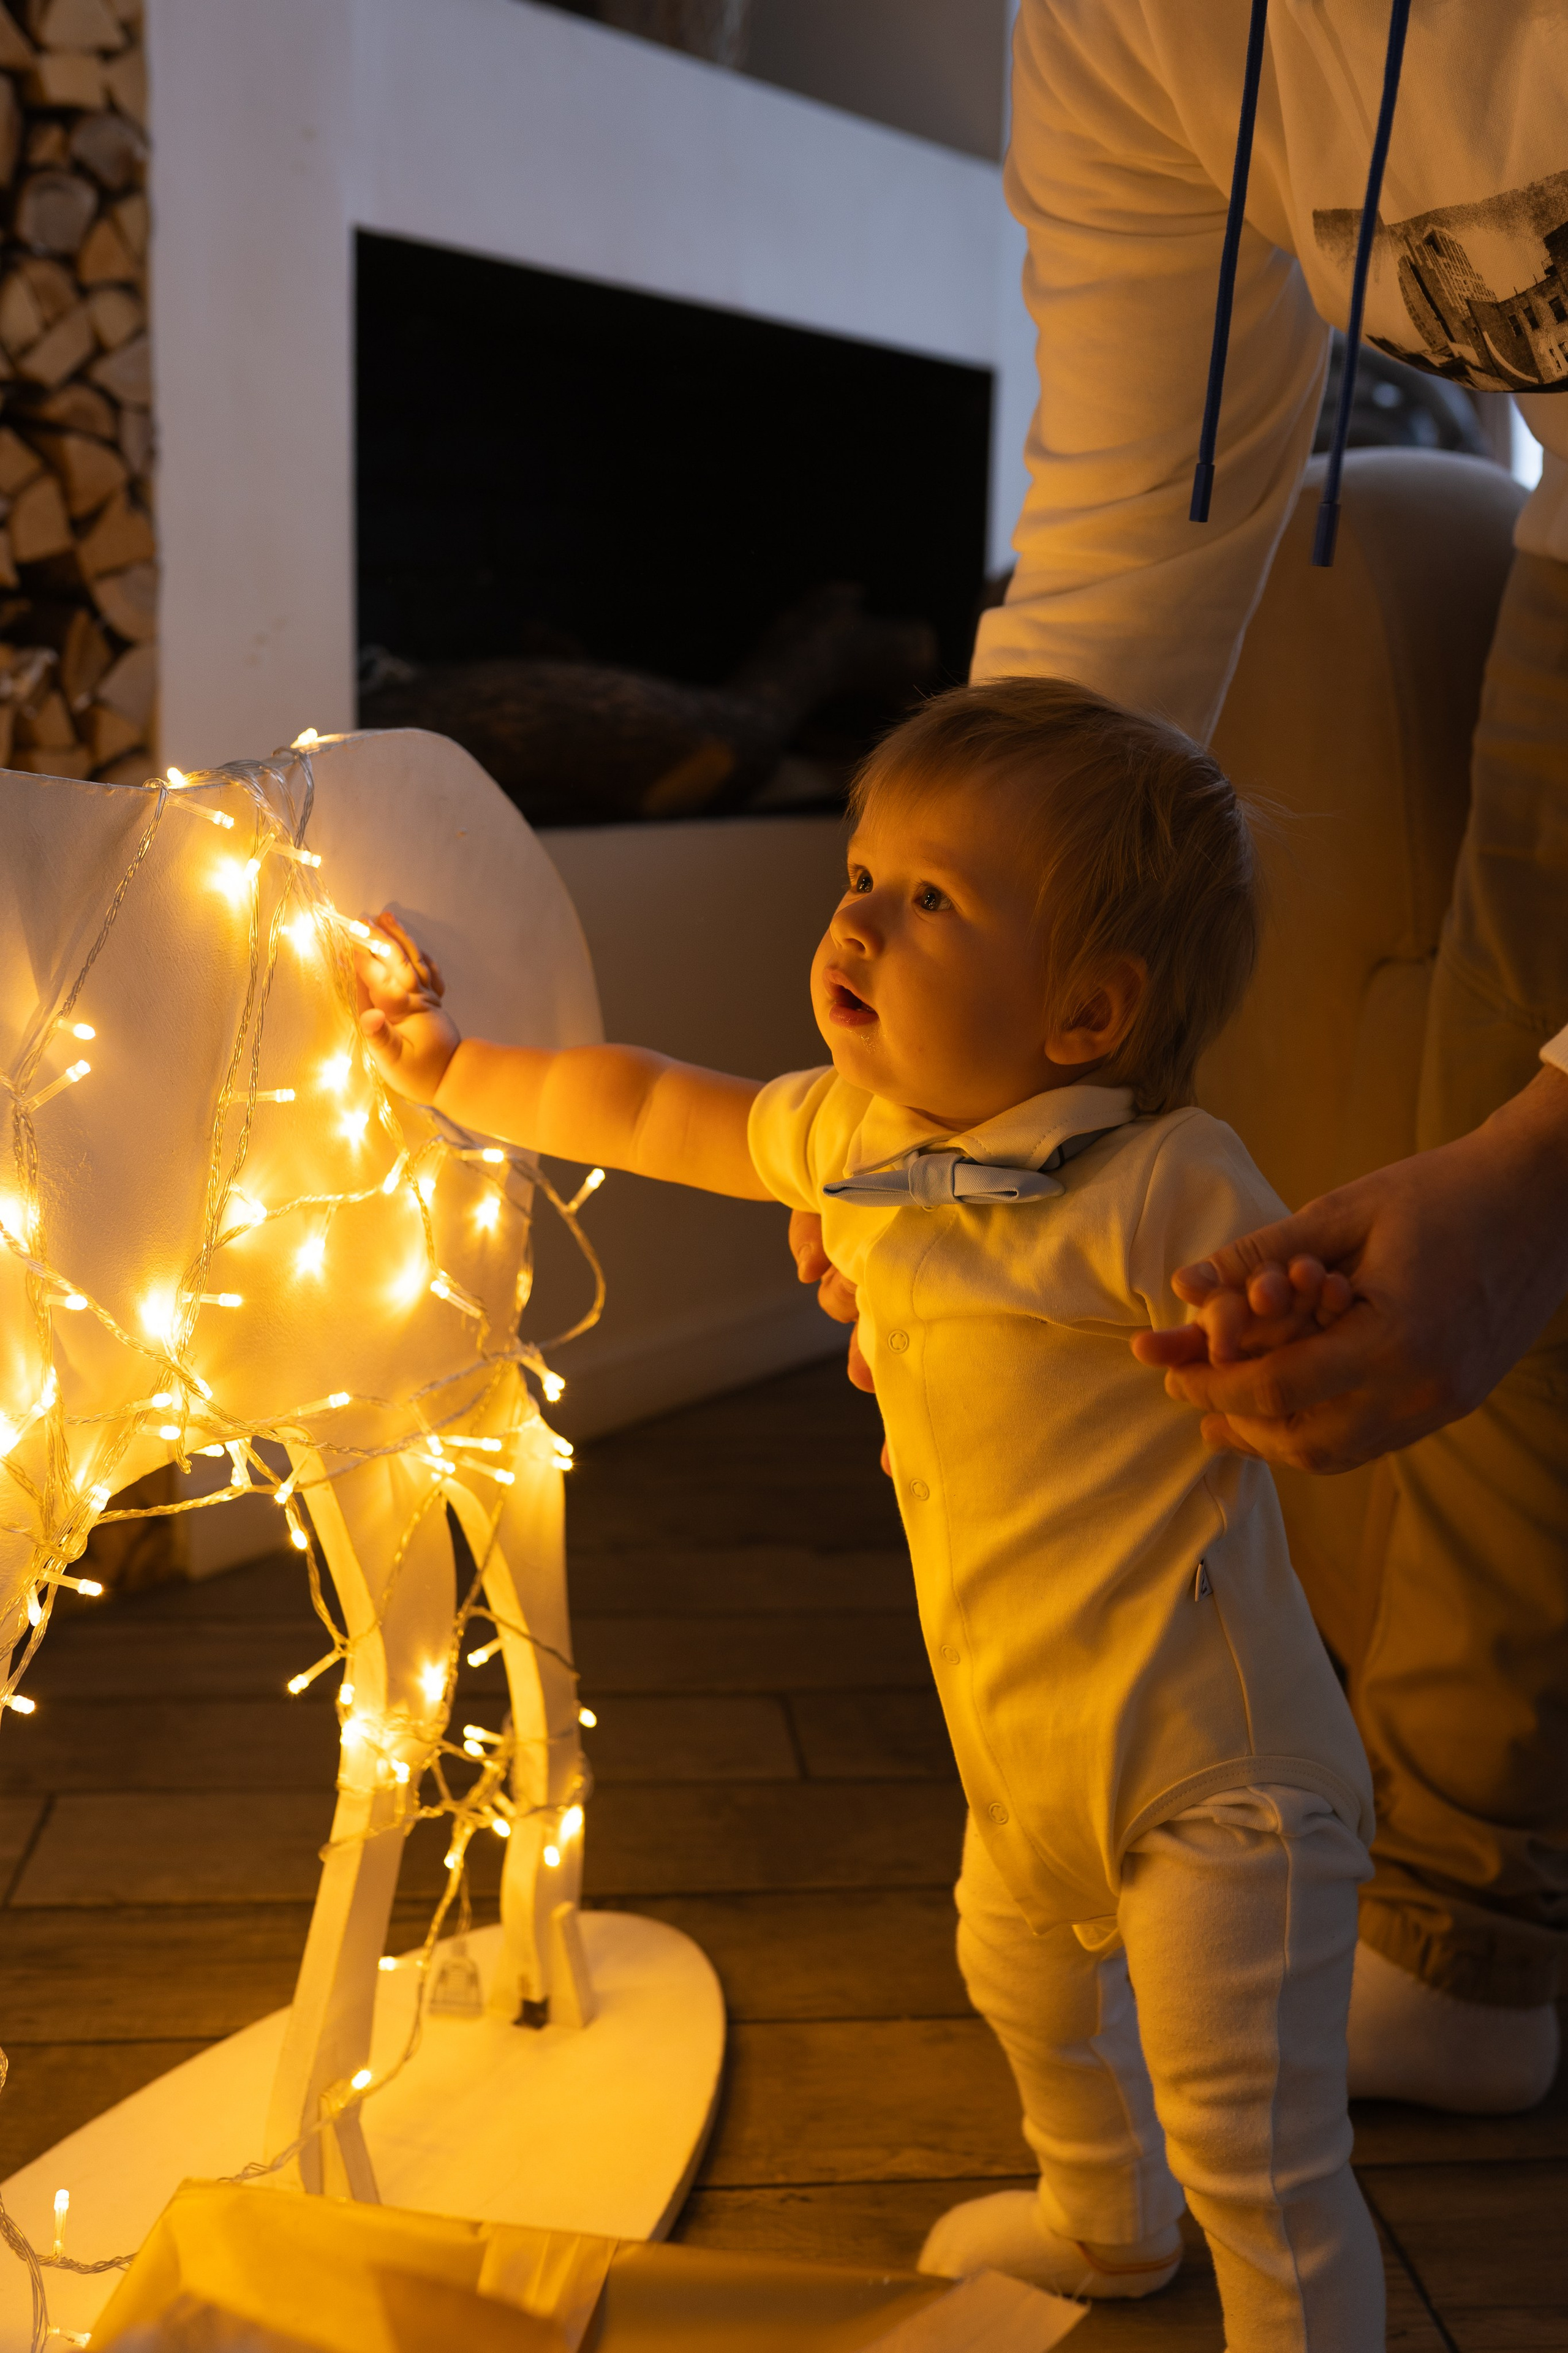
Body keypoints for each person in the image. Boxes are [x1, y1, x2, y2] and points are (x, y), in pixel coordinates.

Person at [359, 678, 1386, 2343]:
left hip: (1219, 1770)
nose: (859, 917)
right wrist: (459, 1063)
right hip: (1019, 1741)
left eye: (932, 901)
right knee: (1021, 1976)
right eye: (860, 873)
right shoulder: (853, 1138)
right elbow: (646, 1104)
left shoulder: (1162, 1179)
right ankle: (1106, 2222)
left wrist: (1267, 1318)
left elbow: (1284, 1293)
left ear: (1085, 1014)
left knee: (1255, 2142)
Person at [799, 0, 1568, 2115]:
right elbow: (1127, 550)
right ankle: (1467, 1931)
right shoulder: (1130, 34)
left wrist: (1549, 1170)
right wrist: (912, 1073)